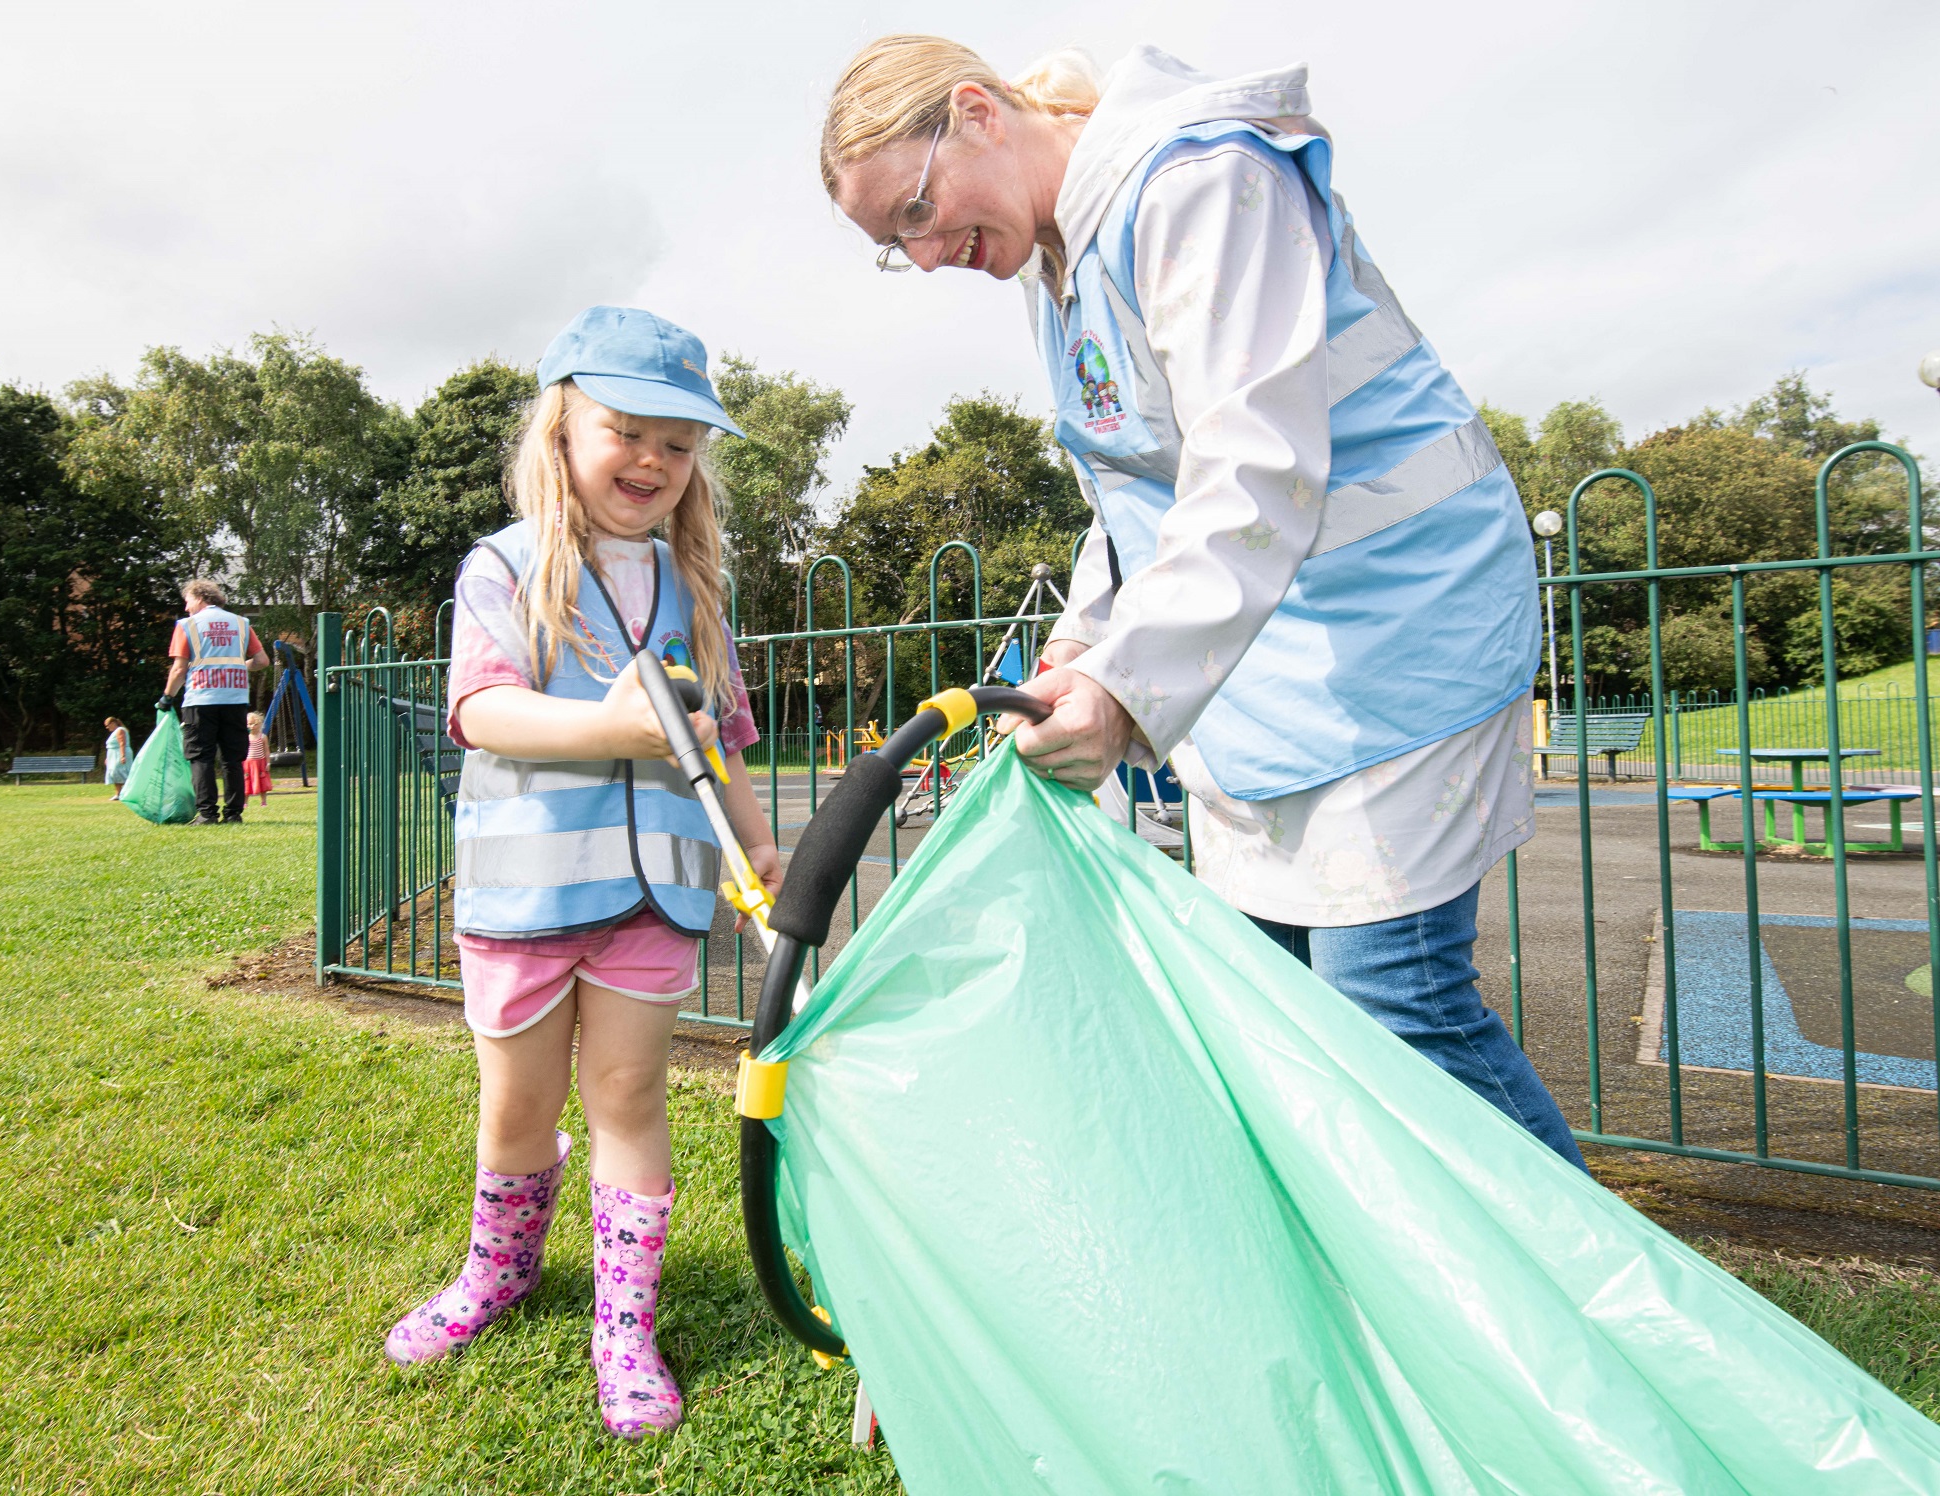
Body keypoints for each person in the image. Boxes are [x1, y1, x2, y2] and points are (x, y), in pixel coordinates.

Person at [821, 38, 1585, 1170]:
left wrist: (1122, 694)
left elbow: (1252, 466)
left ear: (975, 112)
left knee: (1392, 1005)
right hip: (1273, 671)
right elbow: (1132, 494)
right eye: (895, 247)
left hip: (1403, 628)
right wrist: (1079, 647)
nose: (924, 254)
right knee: (1286, 1006)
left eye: (916, 211)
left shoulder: (1195, 183)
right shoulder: (1061, 265)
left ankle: (1599, 1321)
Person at [384, 306, 781, 1442]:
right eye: (627, 431)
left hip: (658, 888)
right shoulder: (504, 567)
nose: (653, 460)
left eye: (680, 442)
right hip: (525, 897)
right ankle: (495, 1273)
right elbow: (481, 708)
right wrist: (607, 727)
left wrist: (752, 840)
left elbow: (724, 737)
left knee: (627, 1096)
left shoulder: (697, 589)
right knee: (515, 1104)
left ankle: (624, 1327)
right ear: (562, 430)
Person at [161, 579, 270, 825]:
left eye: (187, 601)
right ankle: (233, 814)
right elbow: (262, 661)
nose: (186, 608)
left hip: (200, 700)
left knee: (201, 757)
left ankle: (207, 814)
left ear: (200, 597)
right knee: (233, 758)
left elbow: (179, 669)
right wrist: (240, 666)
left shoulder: (186, 625)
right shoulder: (242, 623)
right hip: (235, 699)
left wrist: (167, 697)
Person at [243, 711, 272, 805]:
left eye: (255, 724)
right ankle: (245, 802)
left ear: (260, 725)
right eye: (250, 724)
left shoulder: (263, 737)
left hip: (260, 762)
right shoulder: (246, 737)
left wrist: (268, 763)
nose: (252, 726)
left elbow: (266, 750)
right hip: (248, 763)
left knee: (262, 782)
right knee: (246, 782)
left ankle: (263, 801)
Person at [102, 717, 132, 800]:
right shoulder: (115, 732)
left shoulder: (120, 730)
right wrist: (108, 758)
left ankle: (129, 792)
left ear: (112, 723)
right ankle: (118, 794)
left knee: (121, 772)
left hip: (120, 753)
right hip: (113, 754)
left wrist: (122, 756)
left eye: (107, 725)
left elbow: (122, 743)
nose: (107, 728)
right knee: (115, 773)